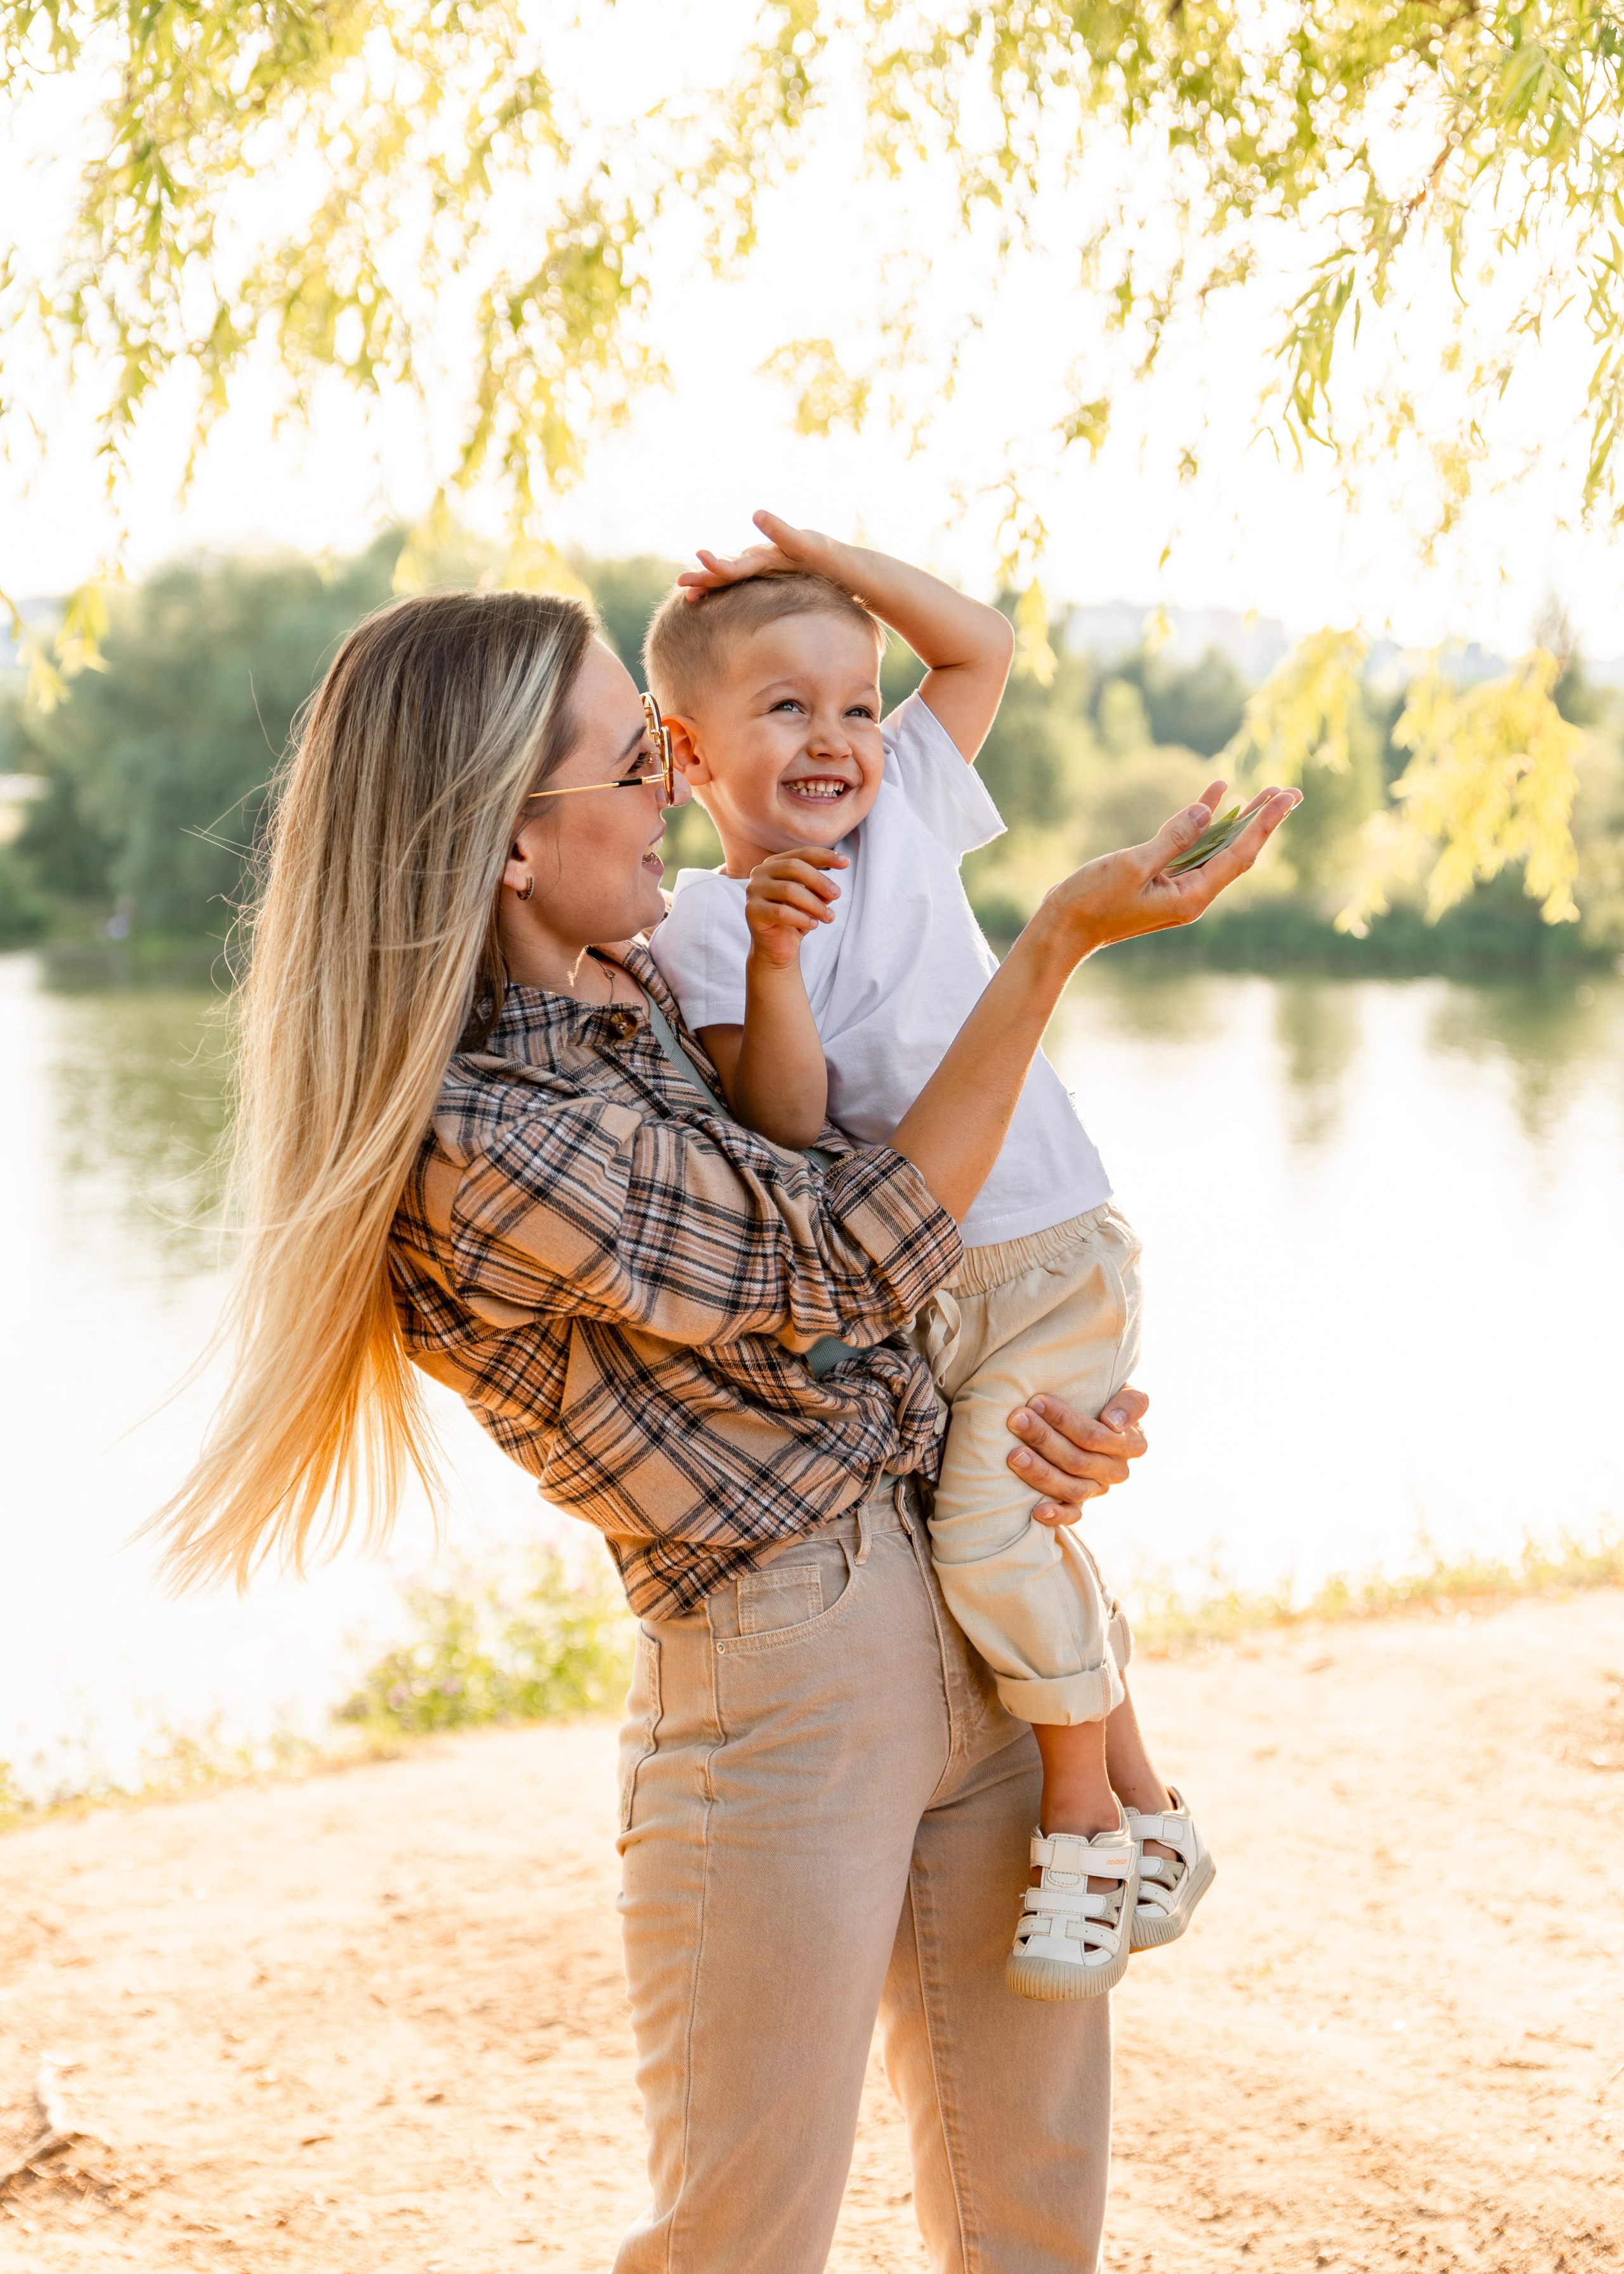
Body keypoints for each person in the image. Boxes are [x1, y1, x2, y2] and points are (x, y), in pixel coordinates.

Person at [157, 582, 1297, 2272]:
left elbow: (898, 1253)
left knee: (1031, 2209)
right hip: (782, 1675)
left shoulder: (668, 981)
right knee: (741, 2239)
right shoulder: (486, 1142)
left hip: (951, 1587)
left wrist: (1050, 1424)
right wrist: (1051, 943)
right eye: (634, 761)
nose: (676, 789)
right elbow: (844, 1253)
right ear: (507, 848)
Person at [646, 515, 1292, 2001]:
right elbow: (788, 1124)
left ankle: (1082, 1819)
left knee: (993, 1540)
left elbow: (980, 644)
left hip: (1048, 1248)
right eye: (785, 707)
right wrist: (766, 956)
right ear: (685, 755)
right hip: (925, 1286)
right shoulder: (695, 931)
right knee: (1007, 1529)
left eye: (856, 705)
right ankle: (1150, 1807)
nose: (835, 738)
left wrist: (820, 560)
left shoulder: (907, 814)